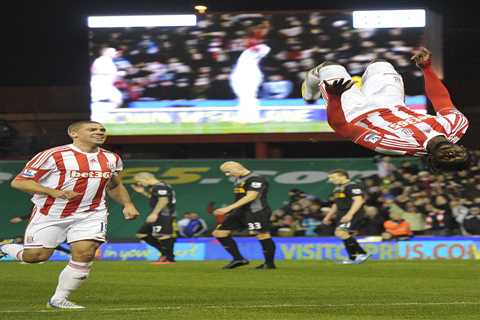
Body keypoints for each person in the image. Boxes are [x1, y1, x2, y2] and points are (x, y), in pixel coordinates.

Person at [0, 120, 140, 309]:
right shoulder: (53, 155)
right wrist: (52, 192)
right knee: (36, 256)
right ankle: (5, 247)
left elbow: (114, 185)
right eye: (92, 129)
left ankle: (59, 299)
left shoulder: (111, 158)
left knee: (85, 253)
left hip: (91, 213)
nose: (99, 132)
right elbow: (20, 182)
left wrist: (127, 204)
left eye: (102, 129)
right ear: (74, 133)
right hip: (50, 213)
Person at [302, 47, 470, 172]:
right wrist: (426, 69)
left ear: (432, 160)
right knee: (380, 64)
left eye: (448, 161)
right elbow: (441, 99)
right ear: (463, 149)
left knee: (330, 67)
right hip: (392, 103)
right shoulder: (457, 125)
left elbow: (341, 127)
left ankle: (310, 89)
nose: (451, 155)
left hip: (355, 111)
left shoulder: (396, 146)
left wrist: (334, 98)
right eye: (458, 156)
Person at [212, 161, 276, 269]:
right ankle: (238, 259)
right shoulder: (239, 178)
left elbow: (251, 196)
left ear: (236, 167)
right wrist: (231, 210)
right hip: (240, 211)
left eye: (228, 172)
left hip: (256, 211)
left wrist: (228, 208)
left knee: (262, 234)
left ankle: (269, 264)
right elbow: (241, 197)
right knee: (219, 233)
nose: (227, 175)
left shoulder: (256, 178)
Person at [322, 170, 371, 264]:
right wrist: (328, 216)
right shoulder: (337, 188)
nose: (331, 180)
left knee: (341, 232)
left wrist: (350, 214)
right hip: (342, 213)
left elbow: (358, 200)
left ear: (343, 176)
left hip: (353, 213)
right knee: (341, 233)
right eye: (330, 178)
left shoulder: (352, 186)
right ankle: (354, 257)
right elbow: (336, 204)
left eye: (333, 177)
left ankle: (361, 254)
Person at [131, 172, 177, 264]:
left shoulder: (160, 186)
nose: (140, 184)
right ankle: (165, 254)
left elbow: (163, 200)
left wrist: (154, 213)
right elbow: (156, 199)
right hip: (162, 214)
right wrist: (143, 192)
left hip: (164, 214)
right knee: (142, 233)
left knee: (163, 235)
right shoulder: (161, 186)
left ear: (145, 179)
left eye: (139, 181)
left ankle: (169, 259)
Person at [229, 44, 271, 122]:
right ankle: (245, 117)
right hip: (241, 78)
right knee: (246, 98)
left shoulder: (253, 58)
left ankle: (251, 117)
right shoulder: (247, 54)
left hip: (248, 78)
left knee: (249, 98)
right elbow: (262, 49)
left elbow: (266, 49)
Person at [90, 47, 125, 120]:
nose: (115, 53)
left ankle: (105, 116)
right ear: (106, 52)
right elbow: (98, 72)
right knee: (97, 101)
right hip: (99, 84)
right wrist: (118, 73)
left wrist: (119, 74)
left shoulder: (109, 61)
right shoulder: (101, 60)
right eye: (113, 51)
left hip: (107, 85)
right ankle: (96, 118)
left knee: (117, 98)